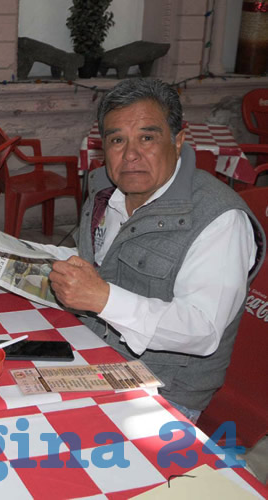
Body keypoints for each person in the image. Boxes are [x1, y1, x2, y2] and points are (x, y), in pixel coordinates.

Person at [37, 78, 265, 422]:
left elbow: (202, 331)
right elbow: (94, 262)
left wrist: (102, 298)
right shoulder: (104, 191)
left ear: (177, 142)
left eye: (147, 137)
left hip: (163, 390)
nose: (130, 155)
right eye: (117, 140)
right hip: (93, 353)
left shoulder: (221, 219)